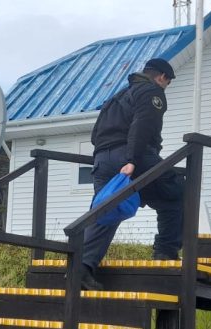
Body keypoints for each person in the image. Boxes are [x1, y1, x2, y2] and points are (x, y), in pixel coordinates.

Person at [81, 58, 184, 290]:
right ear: (162, 77)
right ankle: (165, 252)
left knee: (106, 212)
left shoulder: (116, 97)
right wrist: (131, 160)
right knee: (176, 191)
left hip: (101, 160)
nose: (166, 87)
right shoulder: (151, 91)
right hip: (132, 156)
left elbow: (95, 135)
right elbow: (143, 125)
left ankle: (82, 269)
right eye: (167, 83)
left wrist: (107, 159)